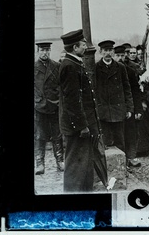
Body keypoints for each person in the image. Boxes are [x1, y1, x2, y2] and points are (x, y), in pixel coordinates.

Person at [59, 29, 104, 192]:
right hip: (77, 128)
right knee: (75, 167)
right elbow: (72, 101)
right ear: (75, 47)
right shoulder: (70, 66)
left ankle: (84, 193)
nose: (86, 46)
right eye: (83, 43)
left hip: (81, 125)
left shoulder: (74, 63)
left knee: (84, 164)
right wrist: (82, 126)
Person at [95, 40, 134, 155]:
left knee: (120, 139)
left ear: (113, 51)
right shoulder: (96, 68)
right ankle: (107, 168)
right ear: (100, 52)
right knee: (105, 140)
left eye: (110, 50)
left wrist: (129, 108)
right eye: (105, 50)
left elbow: (127, 89)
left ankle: (123, 167)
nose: (108, 53)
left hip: (118, 109)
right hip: (104, 110)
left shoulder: (120, 67)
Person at [34, 41, 64, 175]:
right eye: (42, 50)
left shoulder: (56, 66)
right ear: (38, 51)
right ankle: (39, 163)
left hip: (54, 105)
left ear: (50, 50)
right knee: (40, 136)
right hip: (39, 106)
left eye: (47, 50)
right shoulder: (34, 67)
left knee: (57, 135)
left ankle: (60, 161)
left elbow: (61, 86)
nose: (45, 53)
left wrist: (58, 100)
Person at [114, 45, 143, 167]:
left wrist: (137, 109)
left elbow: (135, 91)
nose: (120, 58)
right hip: (115, 108)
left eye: (122, 55)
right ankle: (121, 160)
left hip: (128, 107)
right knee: (118, 134)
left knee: (130, 133)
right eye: (118, 55)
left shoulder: (129, 71)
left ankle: (131, 157)